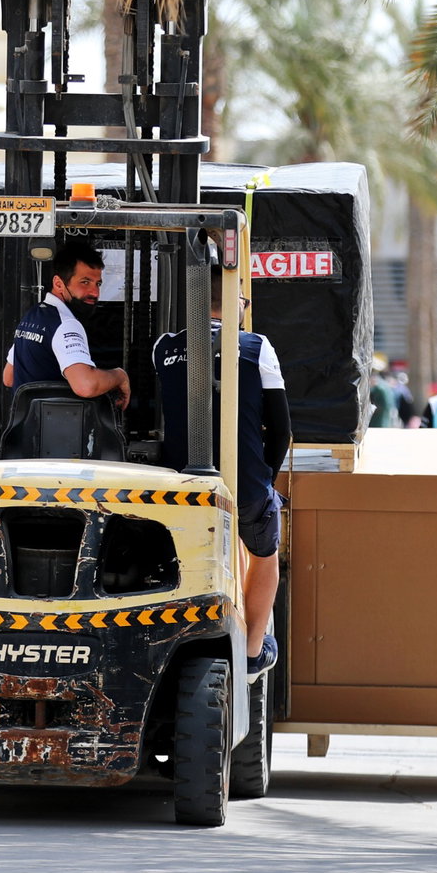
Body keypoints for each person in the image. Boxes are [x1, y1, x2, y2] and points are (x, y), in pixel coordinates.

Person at [153, 270, 291, 677]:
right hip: (244, 482)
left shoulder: (164, 347)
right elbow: (280, 428)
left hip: (179, 486)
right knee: (266, 555)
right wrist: (264, 479)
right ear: (238, 303)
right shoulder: (257, 346)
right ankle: (251, 653)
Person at [2, 239, 130, 409]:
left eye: (97, 283)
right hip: (57, 430)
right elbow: (86, 386)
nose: (95, 292)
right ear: (58, 284)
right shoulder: (66, 324)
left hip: (22, 429)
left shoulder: (31, 317)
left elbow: (9, 378)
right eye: (85, 282)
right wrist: (119, 376)